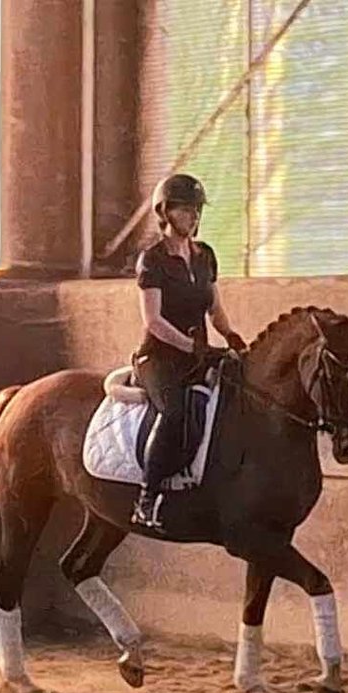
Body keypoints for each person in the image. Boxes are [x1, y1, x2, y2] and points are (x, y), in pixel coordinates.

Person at [130, 173, 247, 531]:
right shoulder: (152, 260)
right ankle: (146, 500)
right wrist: (194, 347)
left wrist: (231, 336)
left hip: (199, 355)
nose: (193, 216)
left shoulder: (204, 256)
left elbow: (214, 307)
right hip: (159, 357)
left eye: (197, 210)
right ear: (165, 212)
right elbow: (154, 321)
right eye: (185, 209)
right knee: (175, 410)